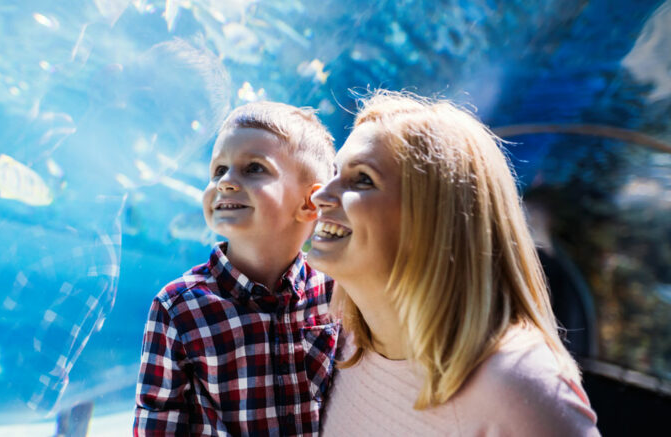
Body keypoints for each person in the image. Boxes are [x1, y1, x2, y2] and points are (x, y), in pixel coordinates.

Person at [308, 90, 600, 435]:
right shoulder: (338, 339)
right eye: (334, 172)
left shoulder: (517, 384)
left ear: (435, 221)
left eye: (362, 179)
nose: (320, 195)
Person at [135, 101, 340, 436]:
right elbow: (158, 422)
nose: (226, 182)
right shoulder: (178, 307)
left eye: (254, 168)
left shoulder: (337, 292)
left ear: (309, 203)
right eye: (218, 170)